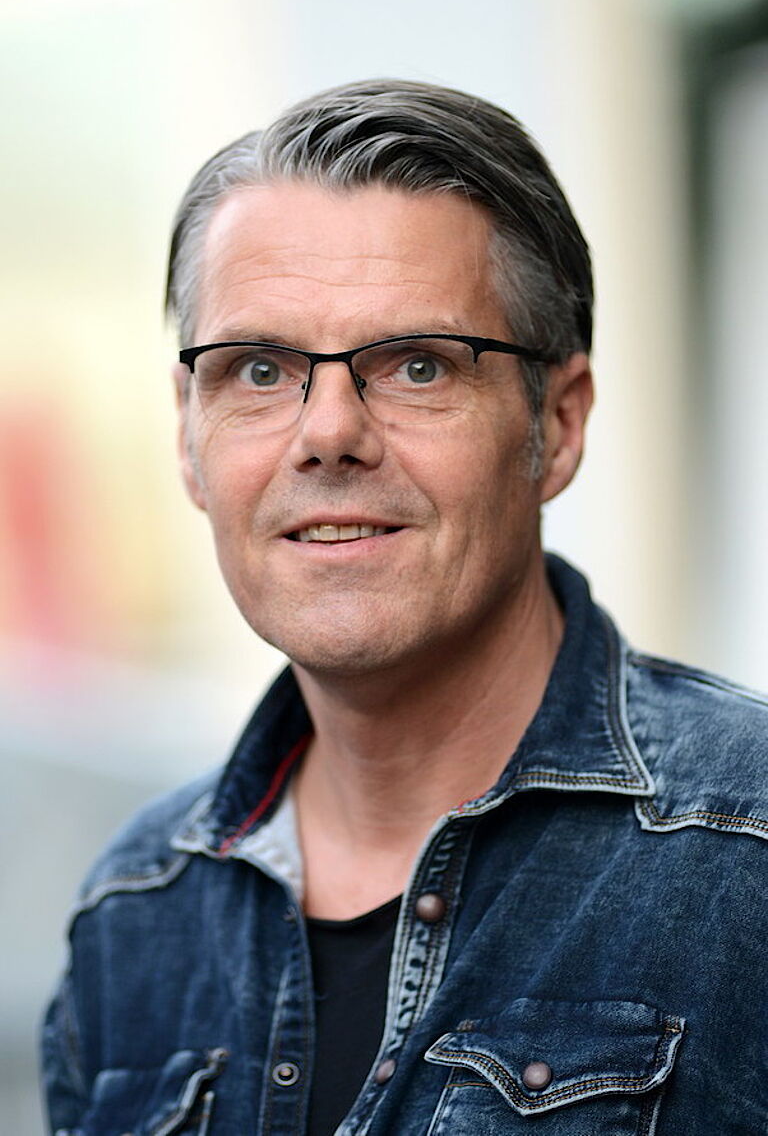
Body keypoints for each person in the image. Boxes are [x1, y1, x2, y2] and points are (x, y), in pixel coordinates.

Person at [42, 79, 768, 1135]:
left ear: (558, 425)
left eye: (418, 365)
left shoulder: (748, 851)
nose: (328, 433)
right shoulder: (135, 915)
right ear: (188, 436)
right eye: (258, 369)